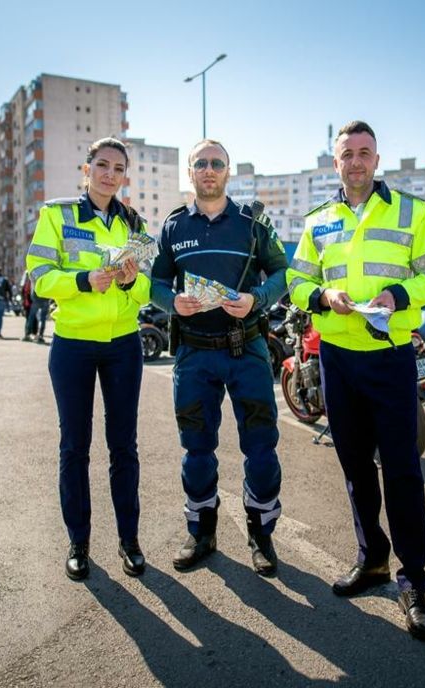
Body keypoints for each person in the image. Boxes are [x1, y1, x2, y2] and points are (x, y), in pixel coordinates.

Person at [286, 121, 425, 641]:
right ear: (335, 164)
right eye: (346, 155)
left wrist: (397, 297)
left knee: (401, 471)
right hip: (337, 357)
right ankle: (372, 560)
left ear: (377, 159)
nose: (355, 162)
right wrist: (321, 298)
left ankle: (414, 584)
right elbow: (297, 280)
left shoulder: (411, 210)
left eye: (364, 153)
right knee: (356, 468)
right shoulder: (319, 219)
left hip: (388, 357)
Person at [150, 139, 288, 577]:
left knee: (262, 449)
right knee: (196, 451)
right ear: (189, 173)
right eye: (200, 164)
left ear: (228, 172)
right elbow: (155, 283)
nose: (209, 170)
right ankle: (201, 533)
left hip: (246, 348)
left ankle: (261, 536)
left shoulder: (252, 225)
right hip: (194, 354)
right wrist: (171, 303)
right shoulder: (173, 228)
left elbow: (285, 274)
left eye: (217, 163)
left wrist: (258, 298)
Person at [25, 137, 150, 581]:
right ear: (86, 169)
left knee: (124, 447)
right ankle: (79, 542)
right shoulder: (56, 215)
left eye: (118, 168)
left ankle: (129, 540)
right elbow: (39, 277)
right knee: (74, 447)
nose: (109, 174)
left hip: (123, 345)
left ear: (124, 176)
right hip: (73, 344)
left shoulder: (134, 223)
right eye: (102, 165)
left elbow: (146, 292)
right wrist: (83, 280)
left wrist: (129, 282)